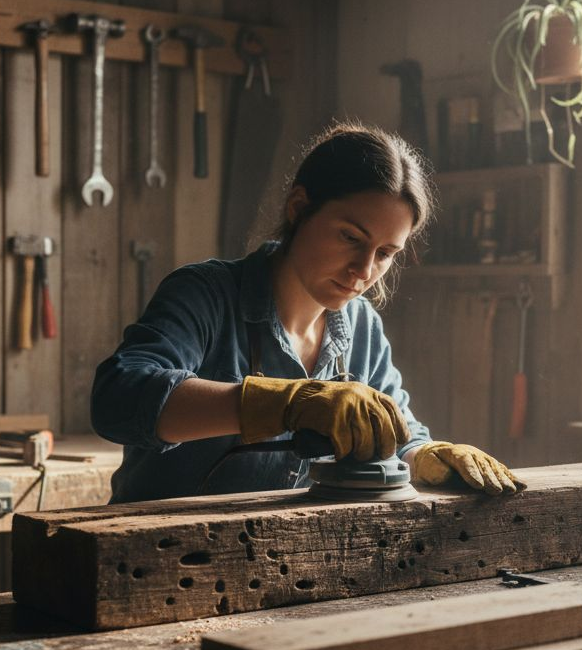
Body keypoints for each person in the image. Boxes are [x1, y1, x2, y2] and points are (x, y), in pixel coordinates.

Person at [91, 122, 525, 503]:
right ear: (298, 208)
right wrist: (287, 402)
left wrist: (423, 455)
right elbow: (119, 399)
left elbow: (397, 428)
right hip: (156, 561)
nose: (365, 270)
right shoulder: (205, 294)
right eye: (350, 237)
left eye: (386, 253)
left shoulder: (362, 327)